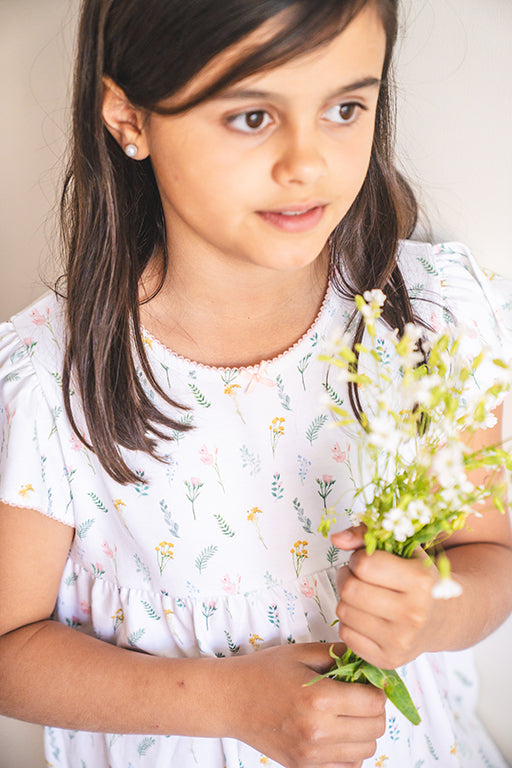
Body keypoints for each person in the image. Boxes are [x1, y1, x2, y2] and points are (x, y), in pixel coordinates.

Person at [0, 0, 511, 766]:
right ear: (129, 118)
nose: (307, 163)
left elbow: (490, 555)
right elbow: (9, 649)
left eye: (345, 107)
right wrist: (230, 702)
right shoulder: (52, 377)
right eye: (251, 117)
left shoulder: (428, 321)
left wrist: (432, 611)